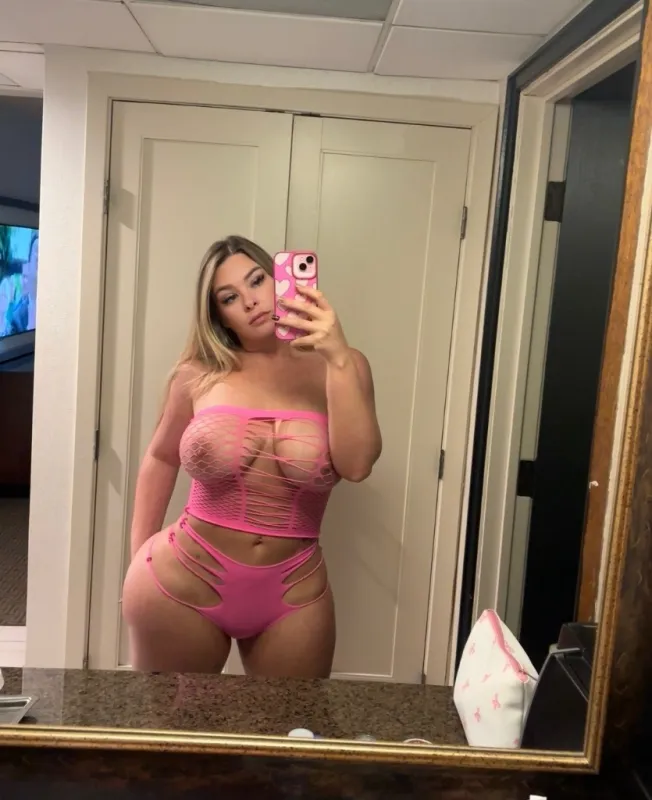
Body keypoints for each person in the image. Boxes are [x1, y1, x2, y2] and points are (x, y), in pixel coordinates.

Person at [122, 235, 382, 678]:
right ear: (218, 314)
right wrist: (137, 557)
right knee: (175, 722)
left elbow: (356, 466)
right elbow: (161, 458)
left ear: (280, 279)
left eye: (257, 280)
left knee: (290, 722)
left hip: (293, 592)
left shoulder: (345, 366)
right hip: (182, 581)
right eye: (229, 297)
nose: (250, 301)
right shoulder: (198, 374)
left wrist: (337, 357)